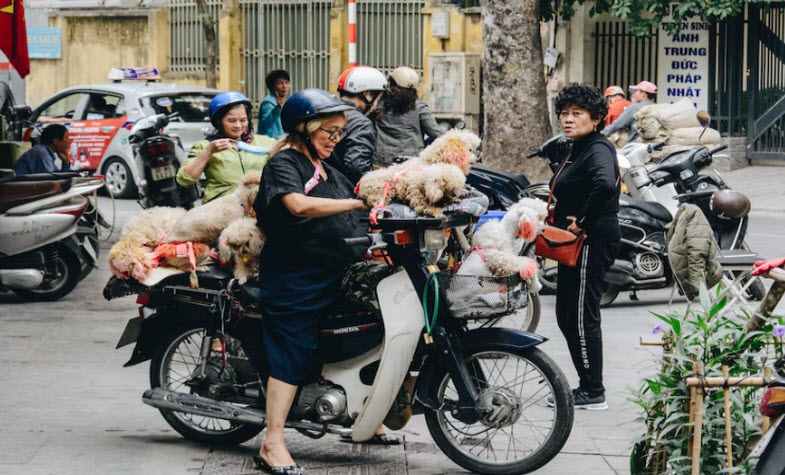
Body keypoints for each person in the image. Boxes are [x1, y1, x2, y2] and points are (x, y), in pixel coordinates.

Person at [251, 88, 367, 474]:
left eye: (339, 133)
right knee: (294, 348)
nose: (335, 140)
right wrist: (355, 203)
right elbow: (298, 204)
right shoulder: (285, 164)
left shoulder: (330, 168)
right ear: (304, 129)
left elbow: (359, 202)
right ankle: (273, 441)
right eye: (329, 132)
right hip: (294, 276)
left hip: (333, 271)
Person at [551, 84, 620, 411]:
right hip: (573, 243)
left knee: (581, 316)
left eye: (577, 114)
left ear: (595, 118)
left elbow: (606, 184)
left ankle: (594, 391)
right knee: (565, 313)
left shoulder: (598, 149)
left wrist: (584, 221)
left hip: (592, 240)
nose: (568, 119)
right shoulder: (577, 147)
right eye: (564, 113)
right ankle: (585, 383)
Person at [177, 92, 276, 203]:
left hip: (258, 207)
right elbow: (184, 180)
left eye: (243, 120)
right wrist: (208, 152)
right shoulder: (205, 146)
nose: (238, 126)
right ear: (218, 121)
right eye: (231, 120)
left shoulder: (263, 142)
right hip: (222, 210)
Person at [373, 66, 444, 167]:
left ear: (391, 84)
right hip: (411, 166)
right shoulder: (420, 108)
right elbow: (438, 134)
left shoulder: (378, 106)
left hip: (382, 164)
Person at [329, 65, 387, 184]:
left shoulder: (327, 110)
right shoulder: (361, 123)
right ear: (367, 94)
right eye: (378, 97)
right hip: (341, 190)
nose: (378, 104)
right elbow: (356, 167)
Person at [258, 70, 291, 139]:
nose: (284, 86)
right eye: (280, 83)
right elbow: (265, 124)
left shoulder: (287, 101)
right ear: (272, 86)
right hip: (269, 142)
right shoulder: (268, 102)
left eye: (286, 83)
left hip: (282, 140)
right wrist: (277, 108)